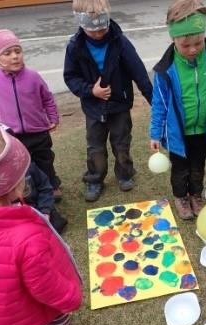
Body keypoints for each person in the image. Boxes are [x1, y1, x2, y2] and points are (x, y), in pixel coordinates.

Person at [0, 128, 100, 325]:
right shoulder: (25, 235)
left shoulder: (16, 219)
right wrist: (70, 296)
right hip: (46, 304)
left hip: (17, 307)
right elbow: (43, 284)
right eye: (23, 176)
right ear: (14, 189)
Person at [150, 0, 206, 220]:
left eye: (198, 43)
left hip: (203, 129)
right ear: (173, 39)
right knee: (180, 169)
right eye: (185, 45)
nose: (193, 49)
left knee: (198, 165)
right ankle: (180, 196)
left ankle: (195, 194)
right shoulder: (165, 69)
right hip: (178, 132)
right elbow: (159, 102)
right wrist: (155, 132)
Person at [64, 0, 152, 202]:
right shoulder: (75, 47)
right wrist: (90, 91)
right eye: (92, 30)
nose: (98, 34)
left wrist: (154, 101)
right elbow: (70, 77)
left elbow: (139, 73)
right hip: (94, 108)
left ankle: (125, 173)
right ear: (81, 24)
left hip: (119, 106)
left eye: (102, 28)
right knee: (95, 147)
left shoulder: (120, 42)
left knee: (122, 143)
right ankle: (94, 179)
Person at [0, 29, 63, 201]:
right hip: (14, 136)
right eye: (8, 53)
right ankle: (28, 192)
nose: (15, 56)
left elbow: (48, 98)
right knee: (21, 166)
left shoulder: (33, 77)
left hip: (39, 131)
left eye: (18, 51)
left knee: (45, 160)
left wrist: (53, 117)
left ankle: (52, 186)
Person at [25, 162, 68, 234]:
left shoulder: (29, 167)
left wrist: (45, 211)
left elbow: (45, 188)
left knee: (56, 226)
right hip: (19, 218)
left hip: (39, 209)